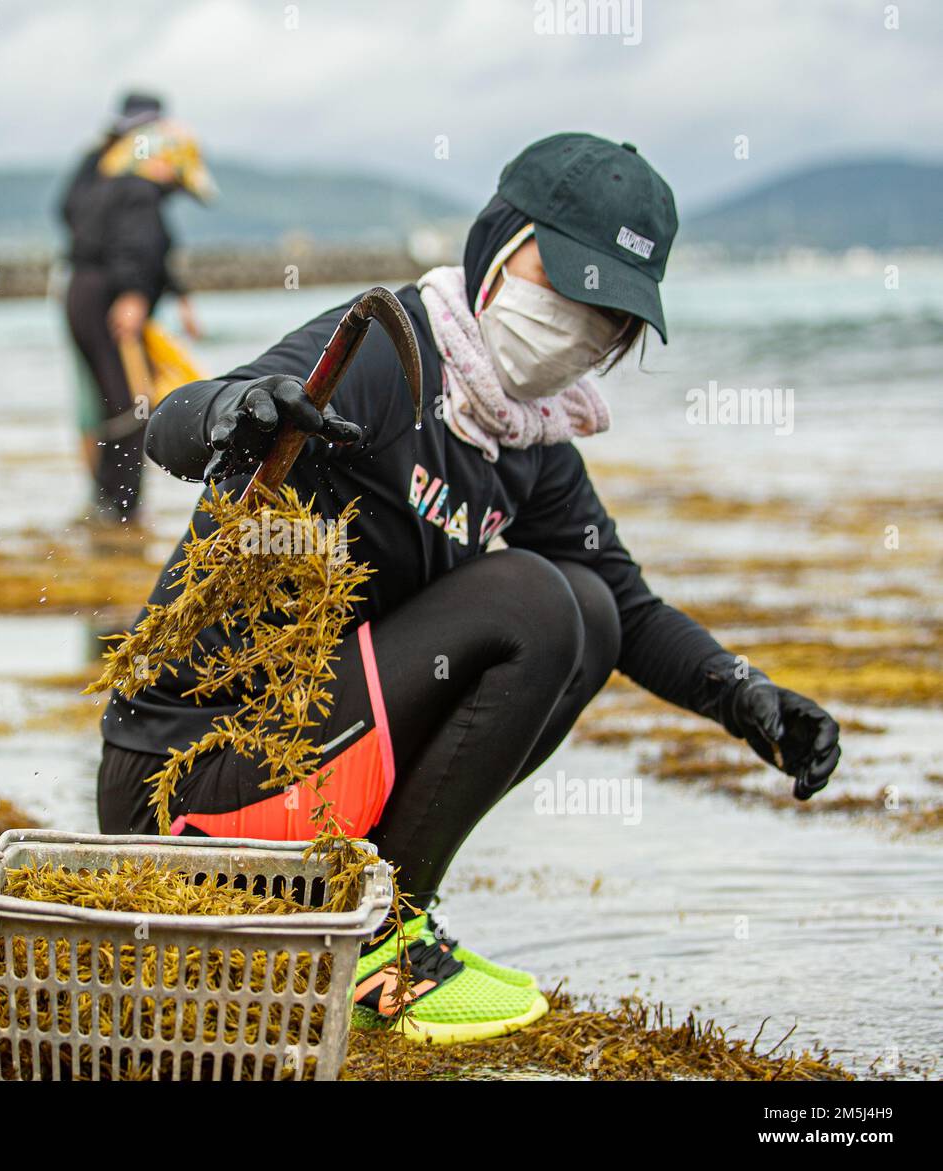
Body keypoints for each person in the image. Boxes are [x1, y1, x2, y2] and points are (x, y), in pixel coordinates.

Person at [97, 133, 841, 1044]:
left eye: (608, 317)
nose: (579, 325)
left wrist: (746, 696)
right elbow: (180, 423)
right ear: (499, 240)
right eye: (566, 285)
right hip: (185, 792)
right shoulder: (384, 351)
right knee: (529, 598)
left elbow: (632, 608)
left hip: (303, 785)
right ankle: (376, 952)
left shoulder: (530, 447)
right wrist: (231, 412)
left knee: (591, 613)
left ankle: (382, 914)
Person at [57, 92, 215, 525]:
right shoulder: (136, 188)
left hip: (85, 295)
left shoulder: (109, 179)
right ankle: (120, 507)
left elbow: (143, 247)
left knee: (118, 403)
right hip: (106, 300)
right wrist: (133, 296)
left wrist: (170, 296)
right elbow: (137, 246)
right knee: (130, 405)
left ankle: (111, 504)